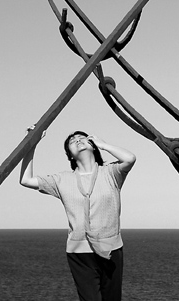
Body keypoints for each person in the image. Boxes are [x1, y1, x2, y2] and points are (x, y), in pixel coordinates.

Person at [20, 128, 136, 301]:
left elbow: (130, 158)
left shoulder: (111, 172)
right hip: (79, 252)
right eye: (72, 141)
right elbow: (26, 180)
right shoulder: (61, 179)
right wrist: (32, 144)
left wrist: (103, 145)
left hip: (111, 249)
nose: (78, 140)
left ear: (93, 146)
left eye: (83, 138)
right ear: (70, 155)